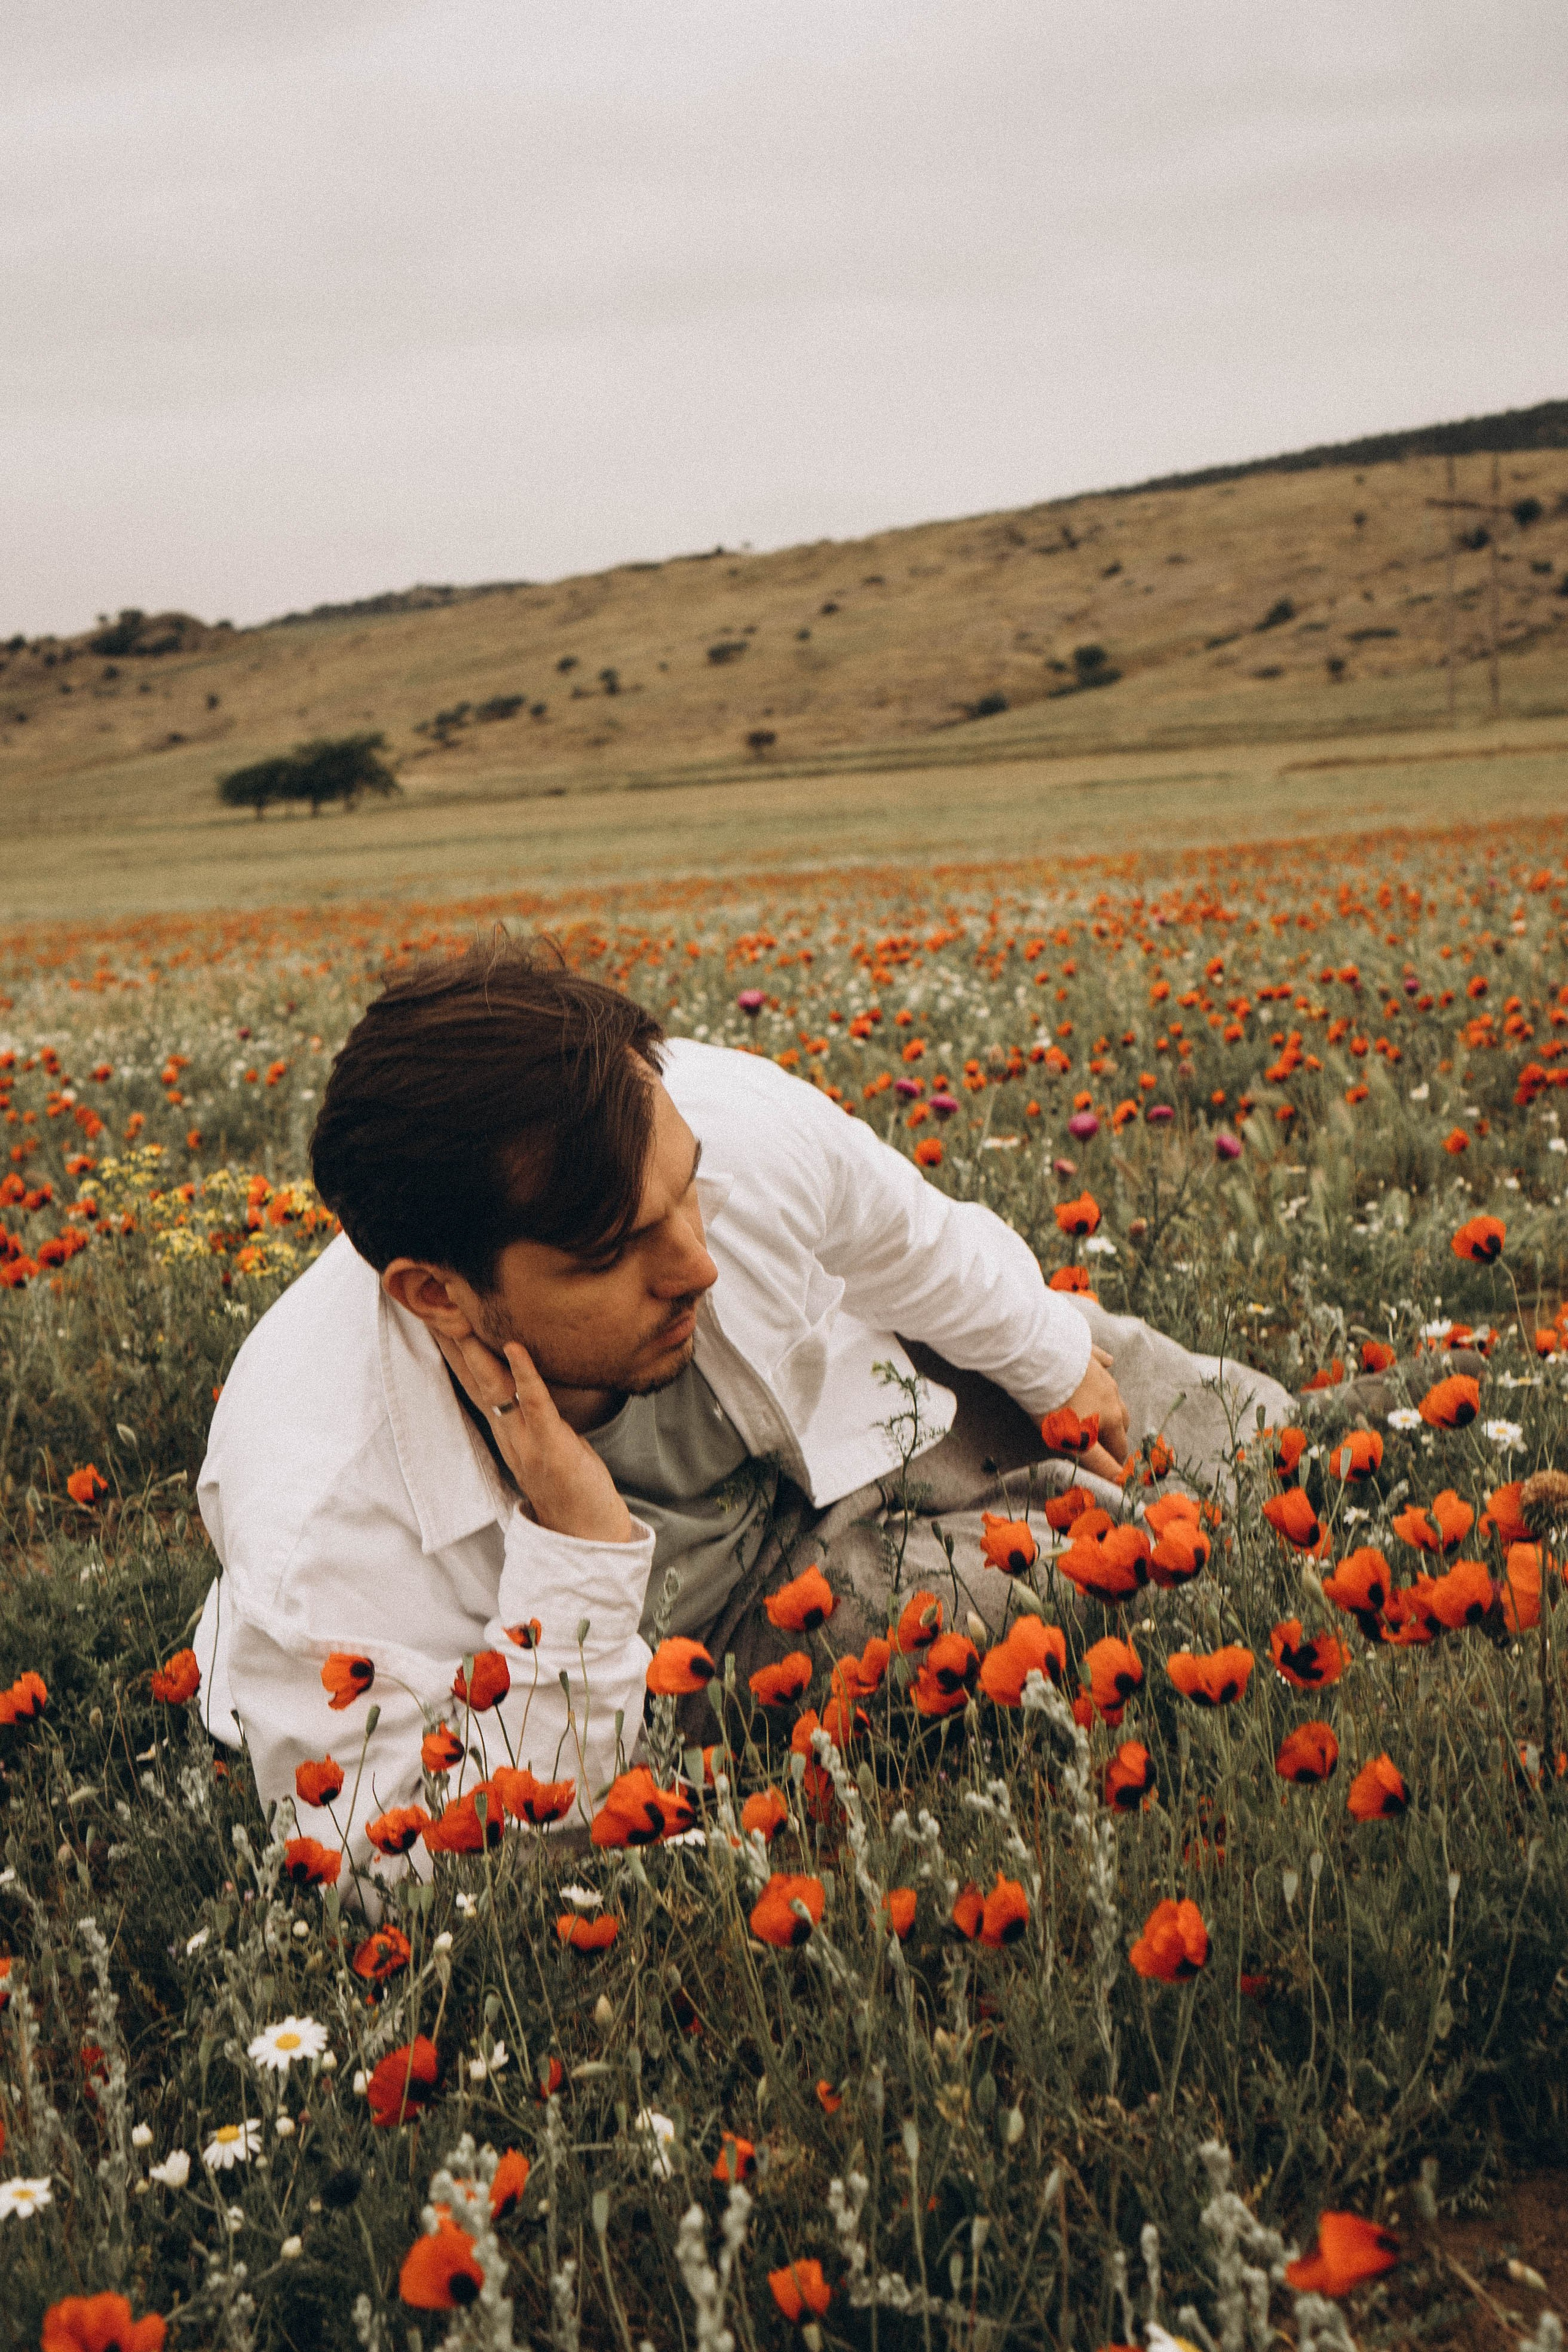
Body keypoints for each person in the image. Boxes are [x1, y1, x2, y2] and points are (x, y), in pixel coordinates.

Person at [194, 940, 1289, 1896]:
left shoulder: (713, 1116)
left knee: (1246, 1428)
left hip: (839, 1423)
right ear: (436, 1292)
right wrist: (576, 1553)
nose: (698, 1266)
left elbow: (907, 1237)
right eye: (612, 1253)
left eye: (690, 1192)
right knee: (1089, 1573)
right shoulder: (321, 1513)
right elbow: (394, 1867)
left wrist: (1051, 1365)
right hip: (700, 1644)